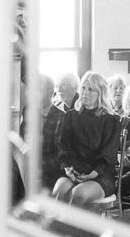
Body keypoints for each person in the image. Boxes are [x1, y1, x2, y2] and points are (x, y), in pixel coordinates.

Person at [52, 71, 121, 207]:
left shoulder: (110, 121)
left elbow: (108, 156)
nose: (85, 93)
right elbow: (62, 147)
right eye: (83, 88)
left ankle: (72, 222)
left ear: (100, 93)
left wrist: (91, 175)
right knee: (58, 190)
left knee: (78, 194)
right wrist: (68, 169)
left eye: (91, 89)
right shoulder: (70, 117)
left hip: (100, 175)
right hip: (74, 171)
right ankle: (58, 222)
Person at [38, 73, 66, 191]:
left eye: (39, 90)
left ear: (50, 92)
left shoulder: (61, 117)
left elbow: (61, 156)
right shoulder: (29, 113)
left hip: (50, 172)